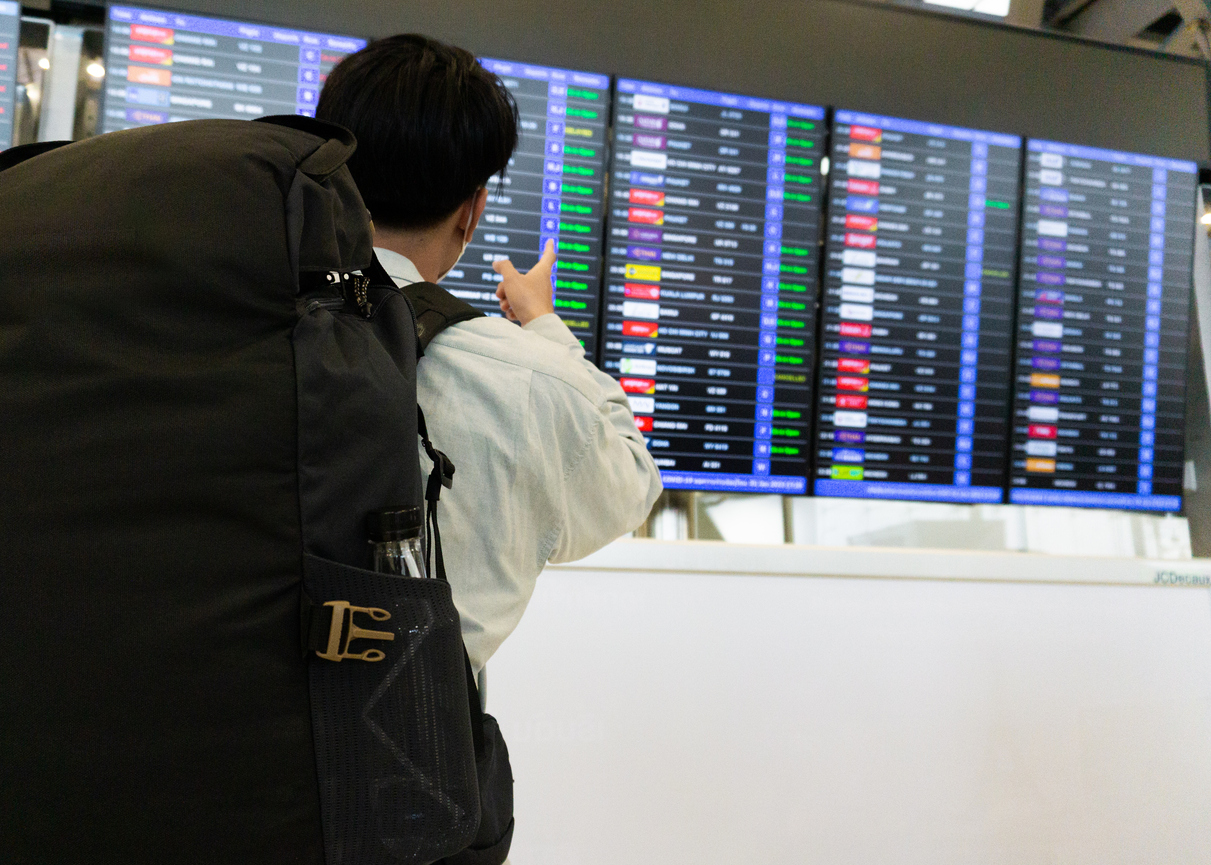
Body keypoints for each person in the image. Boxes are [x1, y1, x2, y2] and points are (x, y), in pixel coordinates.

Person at [316, 34, 662, 674]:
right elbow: (632, 483)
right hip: (400, 756)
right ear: (470, 212)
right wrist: (544, 324)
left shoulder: (223, 321)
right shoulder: (532, 382)